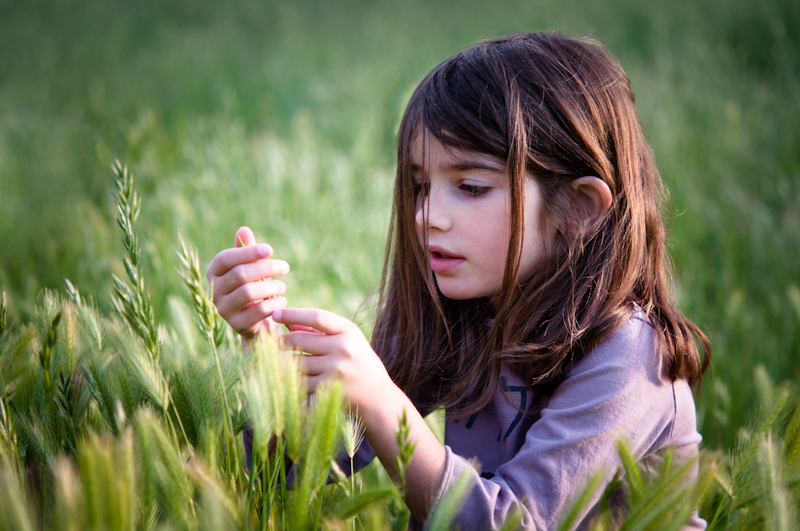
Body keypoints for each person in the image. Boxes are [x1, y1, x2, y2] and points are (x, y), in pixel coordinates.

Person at [207, 32, 711, 530]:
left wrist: (381, 399)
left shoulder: (630, 356)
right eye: (420, 185)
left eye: (470, 187)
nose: (427, 215)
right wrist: (268, 352)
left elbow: (514, 523)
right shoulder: (460, 315)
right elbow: (295, 471)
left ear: (576, 208)